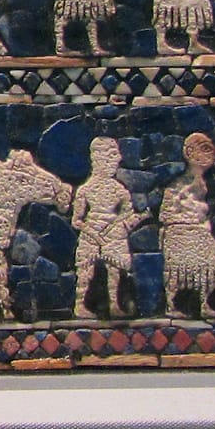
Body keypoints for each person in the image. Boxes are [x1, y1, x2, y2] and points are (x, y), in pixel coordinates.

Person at [71, 137, 142, 319]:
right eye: (111, 156)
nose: (117, 160)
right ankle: (80, 305)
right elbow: (76, 220)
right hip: (91, 235)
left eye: (115, 156)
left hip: (114, 235)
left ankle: (114, 304)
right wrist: (92, 233)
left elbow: (128, 213)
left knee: (115, 270)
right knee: (85, 271)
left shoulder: (120, 190)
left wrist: (124, 223)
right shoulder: (85, 190)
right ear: (98, 159)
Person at [162, 132, 215, 318]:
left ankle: (205, 302)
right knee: (178, 269)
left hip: (199, 230)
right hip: (180, 231)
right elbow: (167, 212)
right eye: (204, 150)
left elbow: (202, 209)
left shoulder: (203, 184)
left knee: (210, 263)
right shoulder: (178, 184)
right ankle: (171, 304)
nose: (210, 156)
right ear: (190, 153)